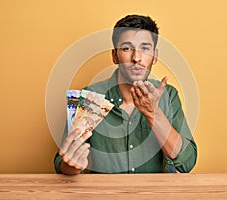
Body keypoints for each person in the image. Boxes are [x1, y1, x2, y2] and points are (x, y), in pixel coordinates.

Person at [54, 14, 197, 175]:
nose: (136, 58)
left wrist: (153, 114)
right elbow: (61, 164)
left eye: (145, 48)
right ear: (115, 56)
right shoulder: (90, 98)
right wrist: (72, 165)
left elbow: (187, 163)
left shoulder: (169, 95)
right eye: (127, 48)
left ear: (155, 56)